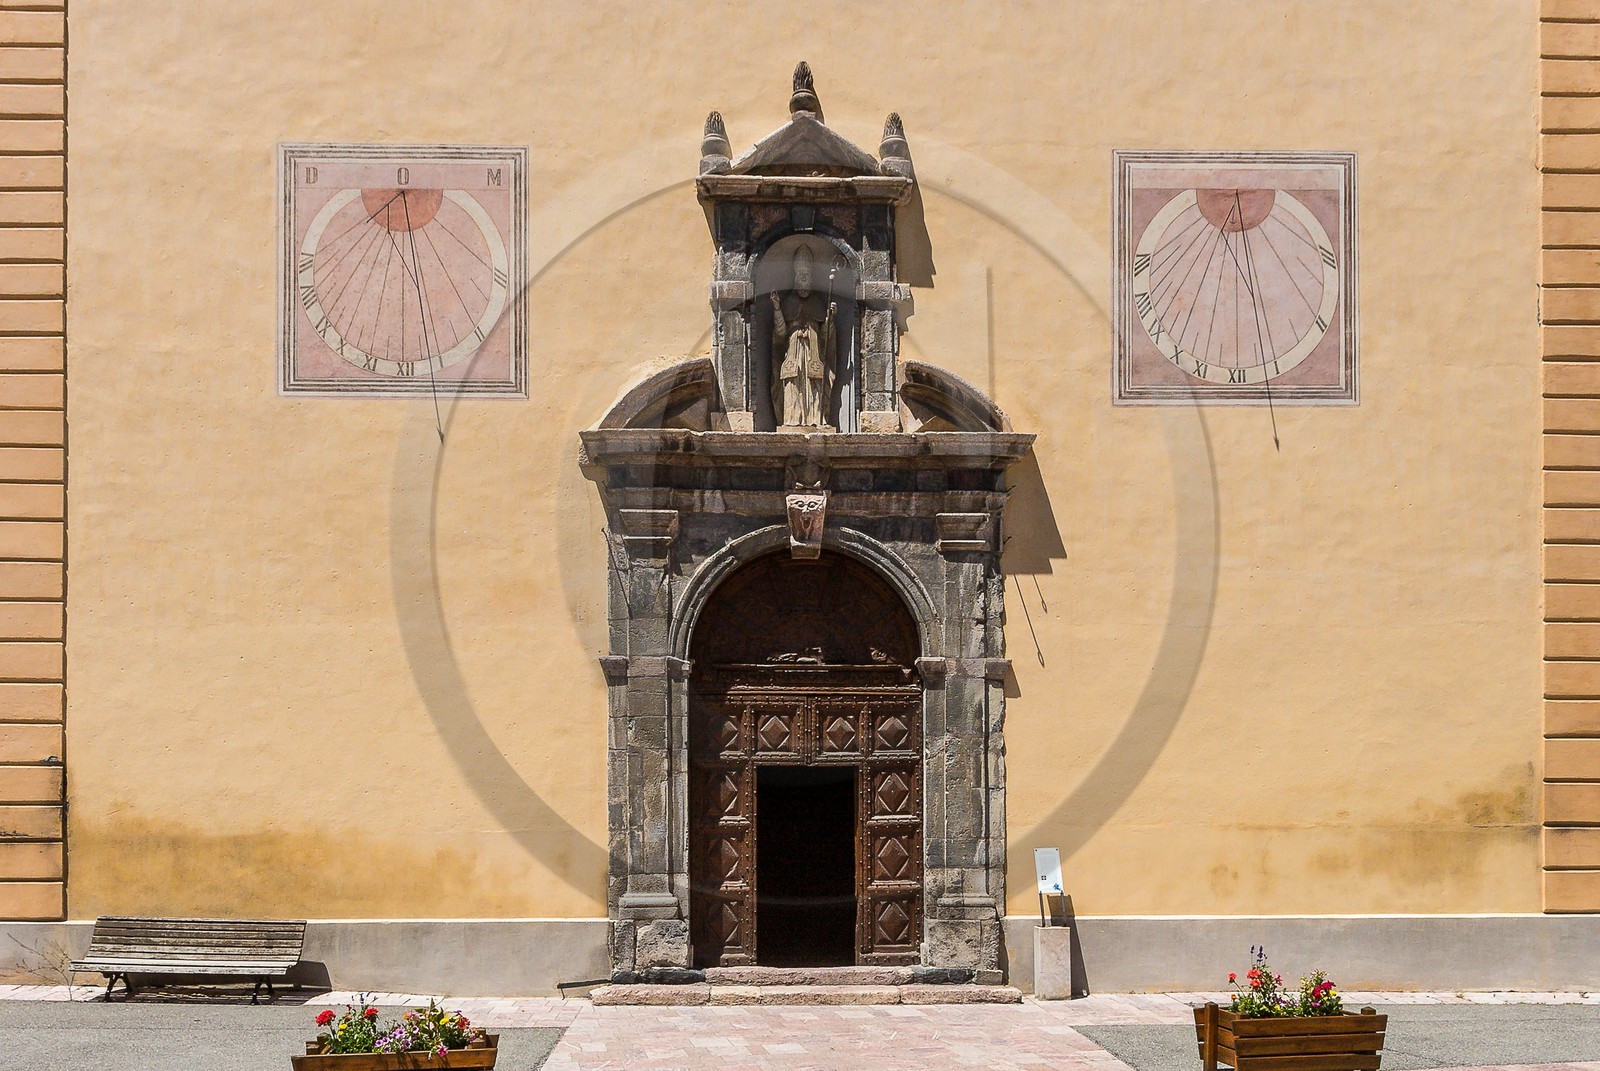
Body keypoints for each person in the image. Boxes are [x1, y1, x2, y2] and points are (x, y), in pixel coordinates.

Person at [770, 247, 837, 427]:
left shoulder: (818, 304)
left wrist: (830, 319)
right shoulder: (788, 303)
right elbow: (780, 333)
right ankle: (792, 419)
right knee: (792, 386)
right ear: (795, 279)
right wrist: (777, 308)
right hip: (793, 354)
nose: (804, 280)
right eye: (801, 277)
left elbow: (826, 336)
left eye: (807, 276)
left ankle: (816, 419)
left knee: (815, 387)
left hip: (814, 354)